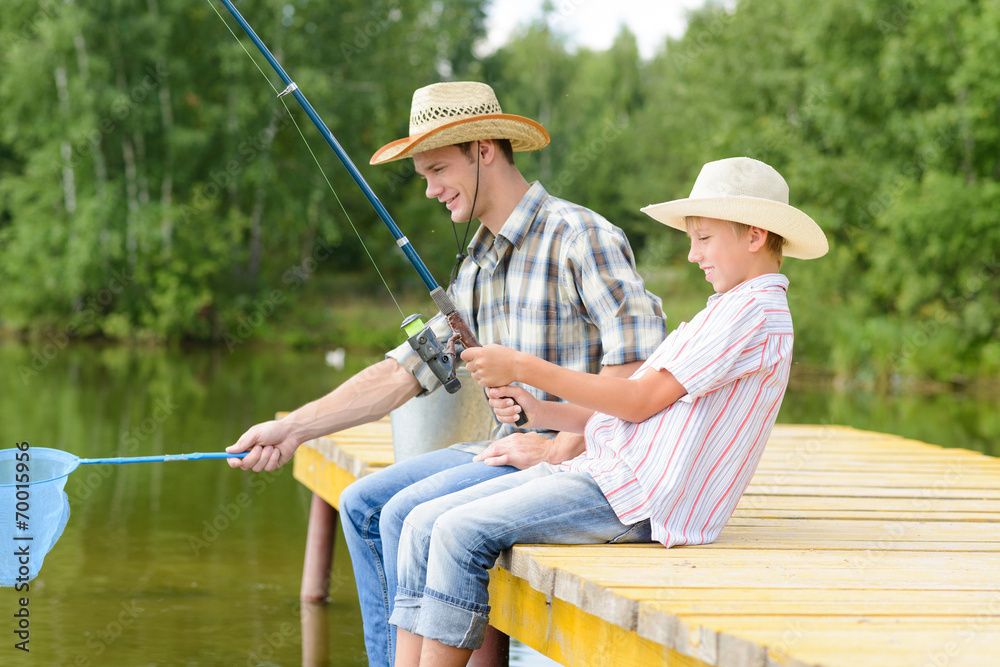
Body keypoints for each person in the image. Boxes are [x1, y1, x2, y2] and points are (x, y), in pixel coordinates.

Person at [225, 81, 666, 666]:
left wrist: (563, 447)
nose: (430, 191)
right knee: (362, 503)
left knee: (408, 515)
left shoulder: (581, 237)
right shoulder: (478, 264)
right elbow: (405, 372)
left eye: (437, 170)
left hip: (584, 464)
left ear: (484, 150)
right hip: (509, 449)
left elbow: (635, 367)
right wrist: (296, 429)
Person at [389, 156, 829, 666]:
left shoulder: (756, 314)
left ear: (754, 236)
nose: (692, 255)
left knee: (457, 532)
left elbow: (637, 400)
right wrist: (544, 411)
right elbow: (639, 411)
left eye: (704, 239)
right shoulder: (730, 309)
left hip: (638, 498)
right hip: (607, 475)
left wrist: (524, 365)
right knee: (422, 522)